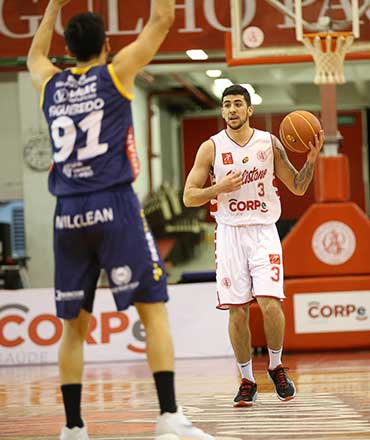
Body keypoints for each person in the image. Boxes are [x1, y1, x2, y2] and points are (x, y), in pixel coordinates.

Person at [27, 1, 214, 439]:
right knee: (154, 312)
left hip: (68, 214)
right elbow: (162, 20)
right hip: (115, 205)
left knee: (73, 328)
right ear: (107, 46)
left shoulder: (50, 83)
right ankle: (168, 418)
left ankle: (73, 428)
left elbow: (35, 55)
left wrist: (53, 5)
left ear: (67, 50)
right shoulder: (115, 73)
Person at [183, 84, 324, 407]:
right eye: (227, 105)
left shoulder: (268, 143)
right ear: (222, 111)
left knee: (271, 302)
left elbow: (299, 187)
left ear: (250, 110)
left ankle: (276, 366)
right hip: (229, 233)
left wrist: (312, 161)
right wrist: (218, 187)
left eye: (238, 104)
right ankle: (246, 379)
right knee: (238, 310)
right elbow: (189, 196)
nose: (232, 110)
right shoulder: (211, 148)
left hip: (263, 230)